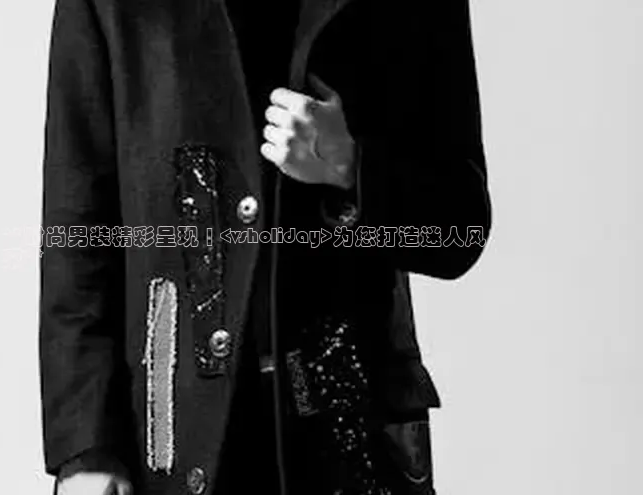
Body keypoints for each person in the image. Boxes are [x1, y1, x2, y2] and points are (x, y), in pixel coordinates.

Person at [39, 0, 491, 494]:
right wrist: (86, 447)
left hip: (350, 436)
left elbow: (460, 229)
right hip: (171, 439)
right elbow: (78, 227)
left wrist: (351, 169)